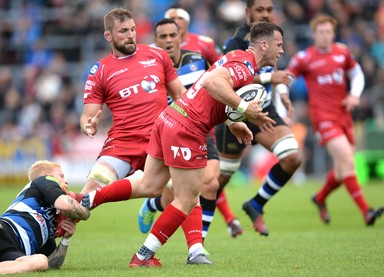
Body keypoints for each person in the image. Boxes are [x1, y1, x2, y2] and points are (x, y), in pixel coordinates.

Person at [79, 21, 283, 267]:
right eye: (278, 45)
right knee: (187, 198)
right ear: (264, 45)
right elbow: (211, 83)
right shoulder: (245, 66)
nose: (281, 51)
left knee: (150, 185)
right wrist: (243, 108)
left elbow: (211, 96)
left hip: (169, 118)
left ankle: (88, 200)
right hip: (188, 128)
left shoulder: (237, 57)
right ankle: (143, 256)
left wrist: (232, 121)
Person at [212, 0, 301, 237]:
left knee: (292, 157)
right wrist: (269, 81)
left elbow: (274, 72)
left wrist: (282, 93)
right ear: (247, 12)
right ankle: (196, 235)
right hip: (235, 111)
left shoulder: (271, 36)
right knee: (216, 182)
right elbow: (228, 80)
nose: (265, 14)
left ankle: (256, 204)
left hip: (262, 108)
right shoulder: (236, 42)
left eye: (269, 10)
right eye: (260, 10)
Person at [285, 14, 384, 226]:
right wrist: (283, 104)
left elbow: (357, 74)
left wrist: (355, 94)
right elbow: (285, 80)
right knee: (348, 162)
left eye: (328, 32)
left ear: (333, 33)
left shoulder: (342, 52)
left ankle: (320, 198)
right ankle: (367, 212)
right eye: (321, 32)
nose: (325, 36)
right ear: (314, 34)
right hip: (323, 119)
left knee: (341, 170)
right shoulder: (305, 57)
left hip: (343, 116)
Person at [136, 18, 218, 262]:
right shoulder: (149, 66)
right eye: (163, 37)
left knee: (210, 184)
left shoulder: (197, 60)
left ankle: (195, 245)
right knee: (182, 192)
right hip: (167, 131)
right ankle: (194, 247)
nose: (170, 40)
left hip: (197, 129)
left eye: (174, 35)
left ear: (181, 36)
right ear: (156, 40)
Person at [79, 8, 184, 194]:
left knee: (186, 195)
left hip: (161, 139)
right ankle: (58, 221)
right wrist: (89, 126)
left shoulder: (157, 55)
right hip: (124, 143)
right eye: (123, 31)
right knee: (93, 188)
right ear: (108, 36)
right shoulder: (100, 70)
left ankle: (153, 211)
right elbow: (87, 116)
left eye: (132, 29)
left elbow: (180, 96)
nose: (131, 35)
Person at [164, 4, 243, 238]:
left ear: (186, 24)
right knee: (167, 187)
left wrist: (228, 108)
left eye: (179, 18)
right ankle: (153, 208)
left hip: (199, 119)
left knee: (208, 180)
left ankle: (200, 242)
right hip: (167, 124)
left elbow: (222, 70)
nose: (175, 21)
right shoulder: (155, 54)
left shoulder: (203, 46)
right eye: (170, 18)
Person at [0, 160, 90, 275]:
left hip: (15, 251)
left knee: (40, 262)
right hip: (2, 229)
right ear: (47, 176)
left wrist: (66, 238)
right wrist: (86, 212)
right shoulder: (42, 181)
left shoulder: (51, 222)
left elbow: (53, 265)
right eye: (61, 176)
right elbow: (67, 205)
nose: (66, 181)